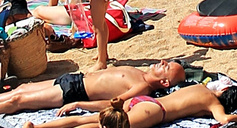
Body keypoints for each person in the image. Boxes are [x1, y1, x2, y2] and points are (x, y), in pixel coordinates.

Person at [27, 83, 237, 128]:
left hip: (144, 102)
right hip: (154, 112)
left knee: (91, 119)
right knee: (102, 127)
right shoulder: (213, 104)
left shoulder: (203, 89)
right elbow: (223, 120)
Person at [0, 61, 185, 115]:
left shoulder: (142, 87)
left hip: (76, 91)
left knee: (19, 101)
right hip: (75, 78)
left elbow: (115, 104)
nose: (162, 62)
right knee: (21, 89)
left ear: (165, 83)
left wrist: (79, 104)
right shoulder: (140, 72)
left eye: (166, 67)